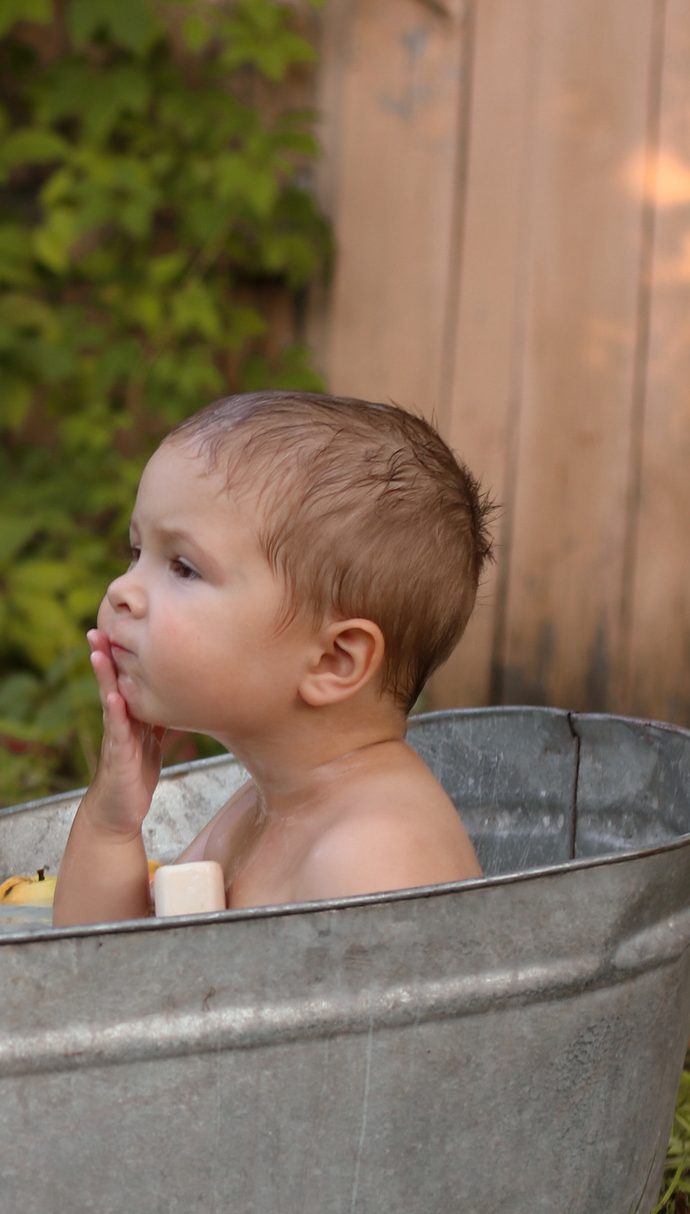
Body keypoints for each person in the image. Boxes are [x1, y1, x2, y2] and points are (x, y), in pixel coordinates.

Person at [52, 392, 494, 926]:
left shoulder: (374, 854)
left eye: (184, 567)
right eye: (136, 552)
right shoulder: (259, 810)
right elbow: (98, 971)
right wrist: (113, 821)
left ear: (334, 660)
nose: (123, 590)